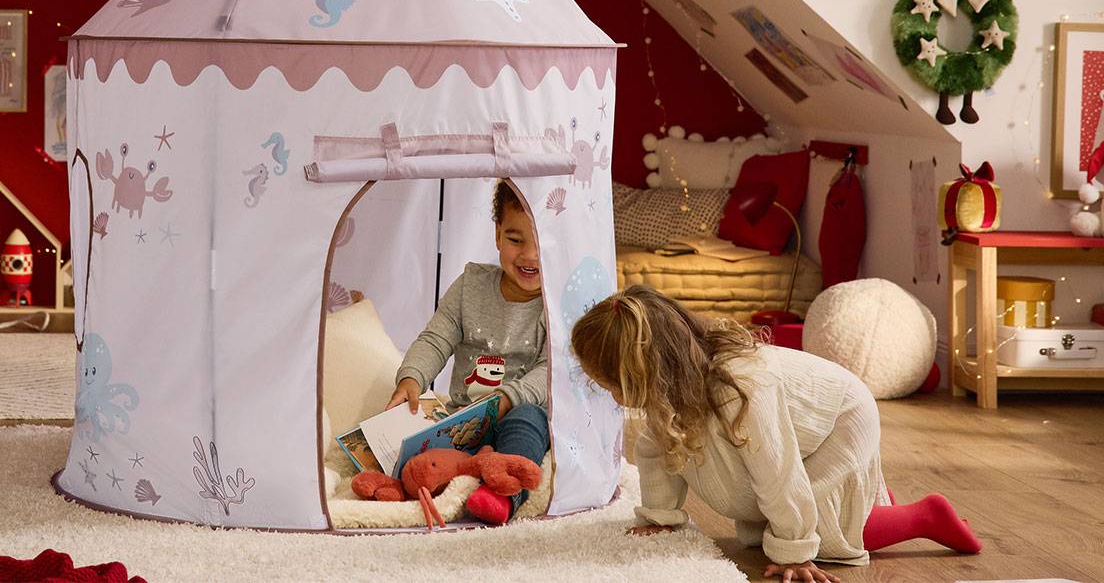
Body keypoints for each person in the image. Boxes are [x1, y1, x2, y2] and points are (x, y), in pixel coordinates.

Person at [570, 286, 981, 582]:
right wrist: (661, 518)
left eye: (609, 383)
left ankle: (925, 516)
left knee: (818, 535)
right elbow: (657, 447)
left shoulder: (742, 390)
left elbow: (777, 471)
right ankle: (866, 499)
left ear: (647, 370)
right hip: (810, 418)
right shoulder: (676, 383)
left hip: (842, 416)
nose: (607, 392)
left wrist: (794, 553)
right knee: (776, 522)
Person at [386, 180, 549, 525]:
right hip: (463, 421)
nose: (530, 255)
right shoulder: (470, 286)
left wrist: (507, 398)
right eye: (515, 240)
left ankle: (504, 495)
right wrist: (412, 378)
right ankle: (398, 484)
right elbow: (435, 338)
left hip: (517, 414)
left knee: (529, 423)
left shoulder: (555, 303)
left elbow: (551, 369)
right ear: (497, 235)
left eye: (541, 242)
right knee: (416, 438)